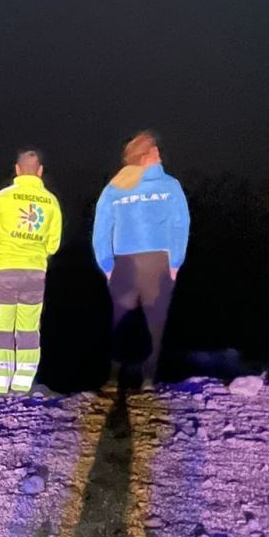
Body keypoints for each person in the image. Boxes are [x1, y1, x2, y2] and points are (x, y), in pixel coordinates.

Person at [92, 131, 190, 391]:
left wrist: (106, 264)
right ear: (147, 156)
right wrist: (175, 261)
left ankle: (114, 378)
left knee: (120, 319)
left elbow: (101, 228)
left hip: (125, 261)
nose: (159, 155)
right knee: (154, 321)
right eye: (155, 151)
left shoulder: (116, 186)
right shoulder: (170, 185)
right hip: (158, 260)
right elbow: (180, 225)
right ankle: (147, 380)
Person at [0, 149, 63, 395]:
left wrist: (1, 254)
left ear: (17, 170)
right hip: (35, 274)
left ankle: (0, 379)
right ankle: (24, 378)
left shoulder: (1, 199)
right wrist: (35, 255)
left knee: (1, 324)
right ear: (40, 172)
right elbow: (54, 244)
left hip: (4, 271)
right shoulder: (51, 202)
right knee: (28, 326)